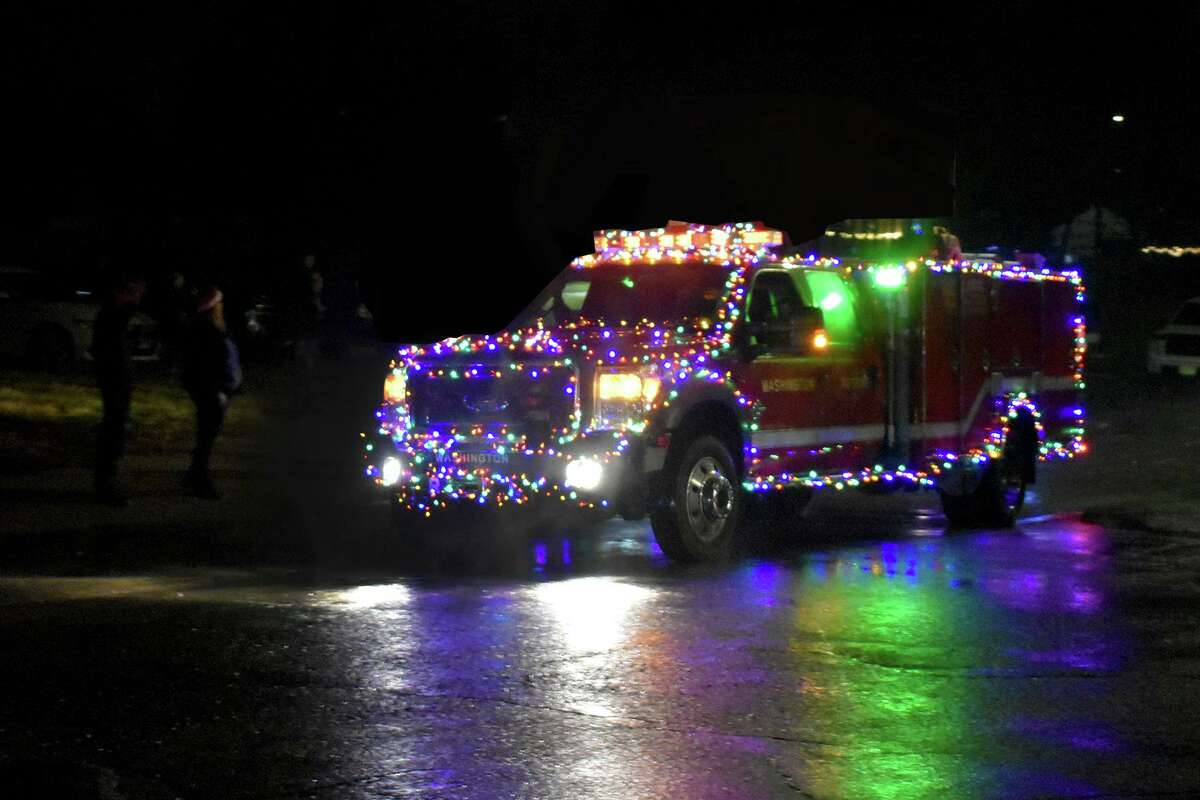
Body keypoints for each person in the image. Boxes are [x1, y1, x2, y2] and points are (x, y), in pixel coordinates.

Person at [92, 273, 147, 505]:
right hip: (114, 383)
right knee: (113, 430)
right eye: (130, 291)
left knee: (114, 429)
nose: (135, 296)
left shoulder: (110, 315)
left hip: (116, 382)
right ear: (119, 292)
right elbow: (128, 311)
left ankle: (106, 481)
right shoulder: (112, 315)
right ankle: (105, 485)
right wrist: (135, 297)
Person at [182, 287, 242, 499]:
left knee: (207, 435)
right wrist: (217, 390)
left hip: (216, 390)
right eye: (219, 303)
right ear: (212, 306)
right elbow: (206, 364)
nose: (222, 306)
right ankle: (200, 480)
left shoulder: (215, 327)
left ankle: (194, 473)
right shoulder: (206, 329)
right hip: (211, 391)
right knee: (207, 436)